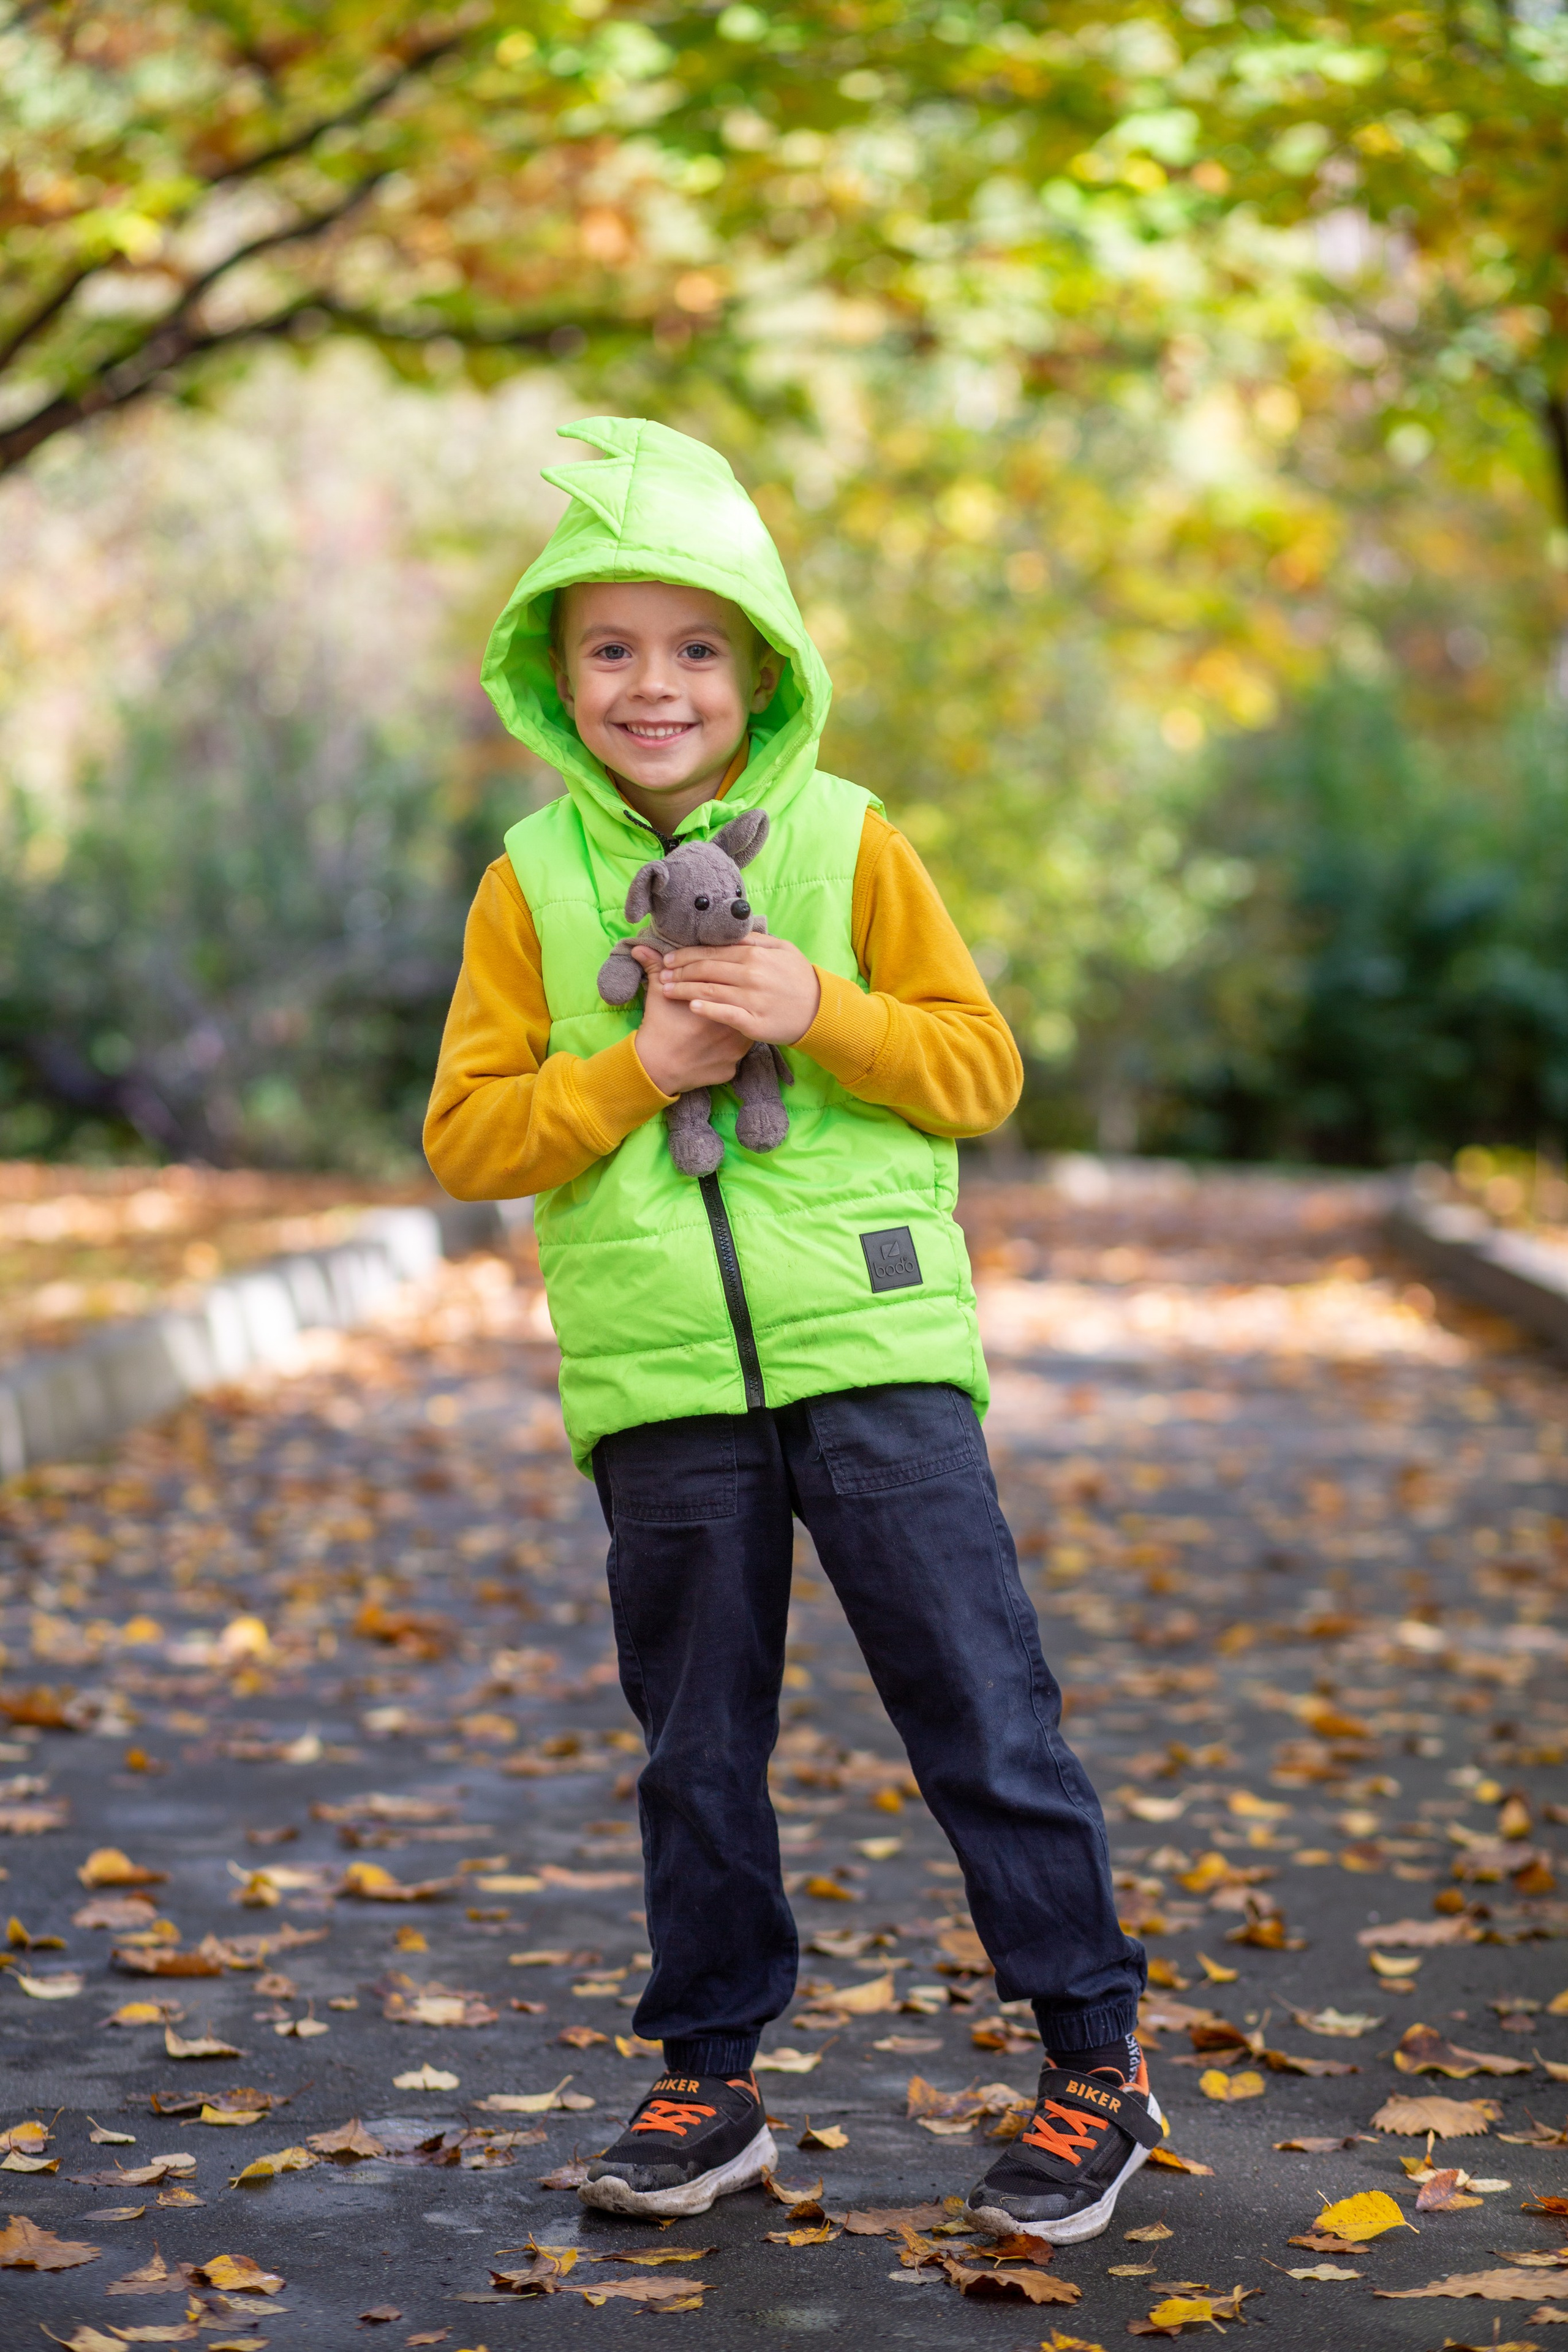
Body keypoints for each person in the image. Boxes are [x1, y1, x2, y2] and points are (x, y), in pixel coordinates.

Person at [424, 417, 1154, 2239]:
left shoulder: (850, 838)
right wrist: (640, 1069)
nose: (653, 685)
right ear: (556, 675)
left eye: (696, 646)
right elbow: (469, 1140)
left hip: (879, 1355)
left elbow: (978, 1068)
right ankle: (710, 2080)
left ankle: (1096, 2062)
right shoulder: (529, 880)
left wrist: (818, 1007)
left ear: (762, 669)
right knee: (696, 1753)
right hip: (659, 1382)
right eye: (610, 648)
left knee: (981, 1711)